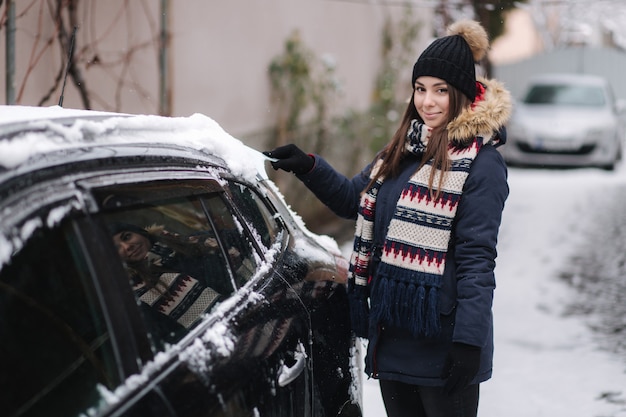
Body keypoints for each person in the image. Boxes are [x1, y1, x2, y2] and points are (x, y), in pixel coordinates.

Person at [263, 20, 511, 417]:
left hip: (443, 340)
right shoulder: (402, 150)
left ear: (463, 94)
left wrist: (469, 342)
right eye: (420, 89)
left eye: (441, 91)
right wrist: (308, 166)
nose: (427, 102)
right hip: (393, 332)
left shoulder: (482, 166)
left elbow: (477, 260)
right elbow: (351, 200)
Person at [109, 222, 224, 336]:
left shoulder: (188, 241)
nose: (127, 246)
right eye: (117, 248)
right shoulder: (141, 295)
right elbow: (173, 338)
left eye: (127, 237)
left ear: (141, 232)